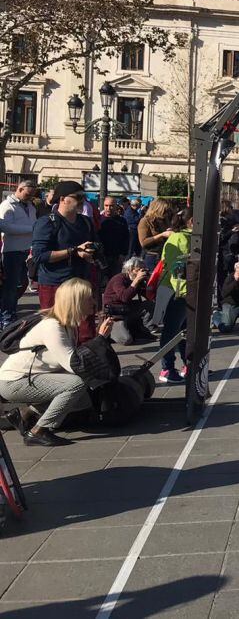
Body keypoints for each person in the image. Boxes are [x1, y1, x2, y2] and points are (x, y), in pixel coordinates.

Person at [0, 278, 108, 446]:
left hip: (31, 377)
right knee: (76, 385)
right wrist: (100, 339)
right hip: (14, 381)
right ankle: (38, 431)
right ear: (76, 301)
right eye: (89, 298)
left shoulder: (67, 324)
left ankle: (24, 415)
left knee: (83, 401)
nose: (94, 302)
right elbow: (74, 364)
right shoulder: (52, 326)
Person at [31, 181, 98, 341]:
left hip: (81, 283)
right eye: (77, 197)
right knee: (54, 330)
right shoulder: (47, 222)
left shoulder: (85, 221)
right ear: (62, 199)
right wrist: (74, 252)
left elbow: (96, 243)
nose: (82, 201)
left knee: (86, 332)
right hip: (55, 283)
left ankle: (86, 363)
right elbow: (39, 256)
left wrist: (93, 250)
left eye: (84, 197)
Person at [159, 208, 193, 383]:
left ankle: (188, 364)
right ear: (192, 221)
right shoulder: (179, 238)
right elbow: (175, 268)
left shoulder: (188, 237)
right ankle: (167, 368)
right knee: (172, 330)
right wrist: (183, 290)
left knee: (184, 331)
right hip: (177, 291)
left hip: (186, 290)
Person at [0, 178, 38, 328]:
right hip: (12, 251)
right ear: (20, 189)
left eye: (32, 195)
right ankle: (7, 316)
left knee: (21, 284)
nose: (30, 197)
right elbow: (5, 227)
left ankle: (9, 310)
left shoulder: (31, 206)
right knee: (10, 286)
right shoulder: (7, 205)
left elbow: (34, 224)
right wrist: (30, 229)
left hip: (27, 251)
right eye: (28, 194)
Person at [103, 257, 155, 344]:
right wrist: (136, 281)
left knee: (149, 304)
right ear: (130, 269)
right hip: (116, 313)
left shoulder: (138, 280)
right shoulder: (119, 279)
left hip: (128, 309)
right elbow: (124, 297)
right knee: (126, 340)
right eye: (138, 270)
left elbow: (149, 297)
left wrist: (149, 283)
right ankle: (111, 333)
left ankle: (144, 328)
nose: (141, 273)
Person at [138, 199, 175, 272]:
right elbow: (143, 242)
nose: (166, 213)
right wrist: (162, 235)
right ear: (157, 209)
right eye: (164, 210)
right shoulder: (145, 221)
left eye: (167, 211)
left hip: (164, 255)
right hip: (152, 257)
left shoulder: (164, 219)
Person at [98, 196, 130, 279]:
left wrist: (123, 254)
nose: (108, 208)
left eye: (111, 205)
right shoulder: (98, 220)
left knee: (115, 280)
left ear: (116, 206)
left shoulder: (122, 221)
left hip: (116, 257)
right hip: (101, 257)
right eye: (106, 205)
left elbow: (126, 238)